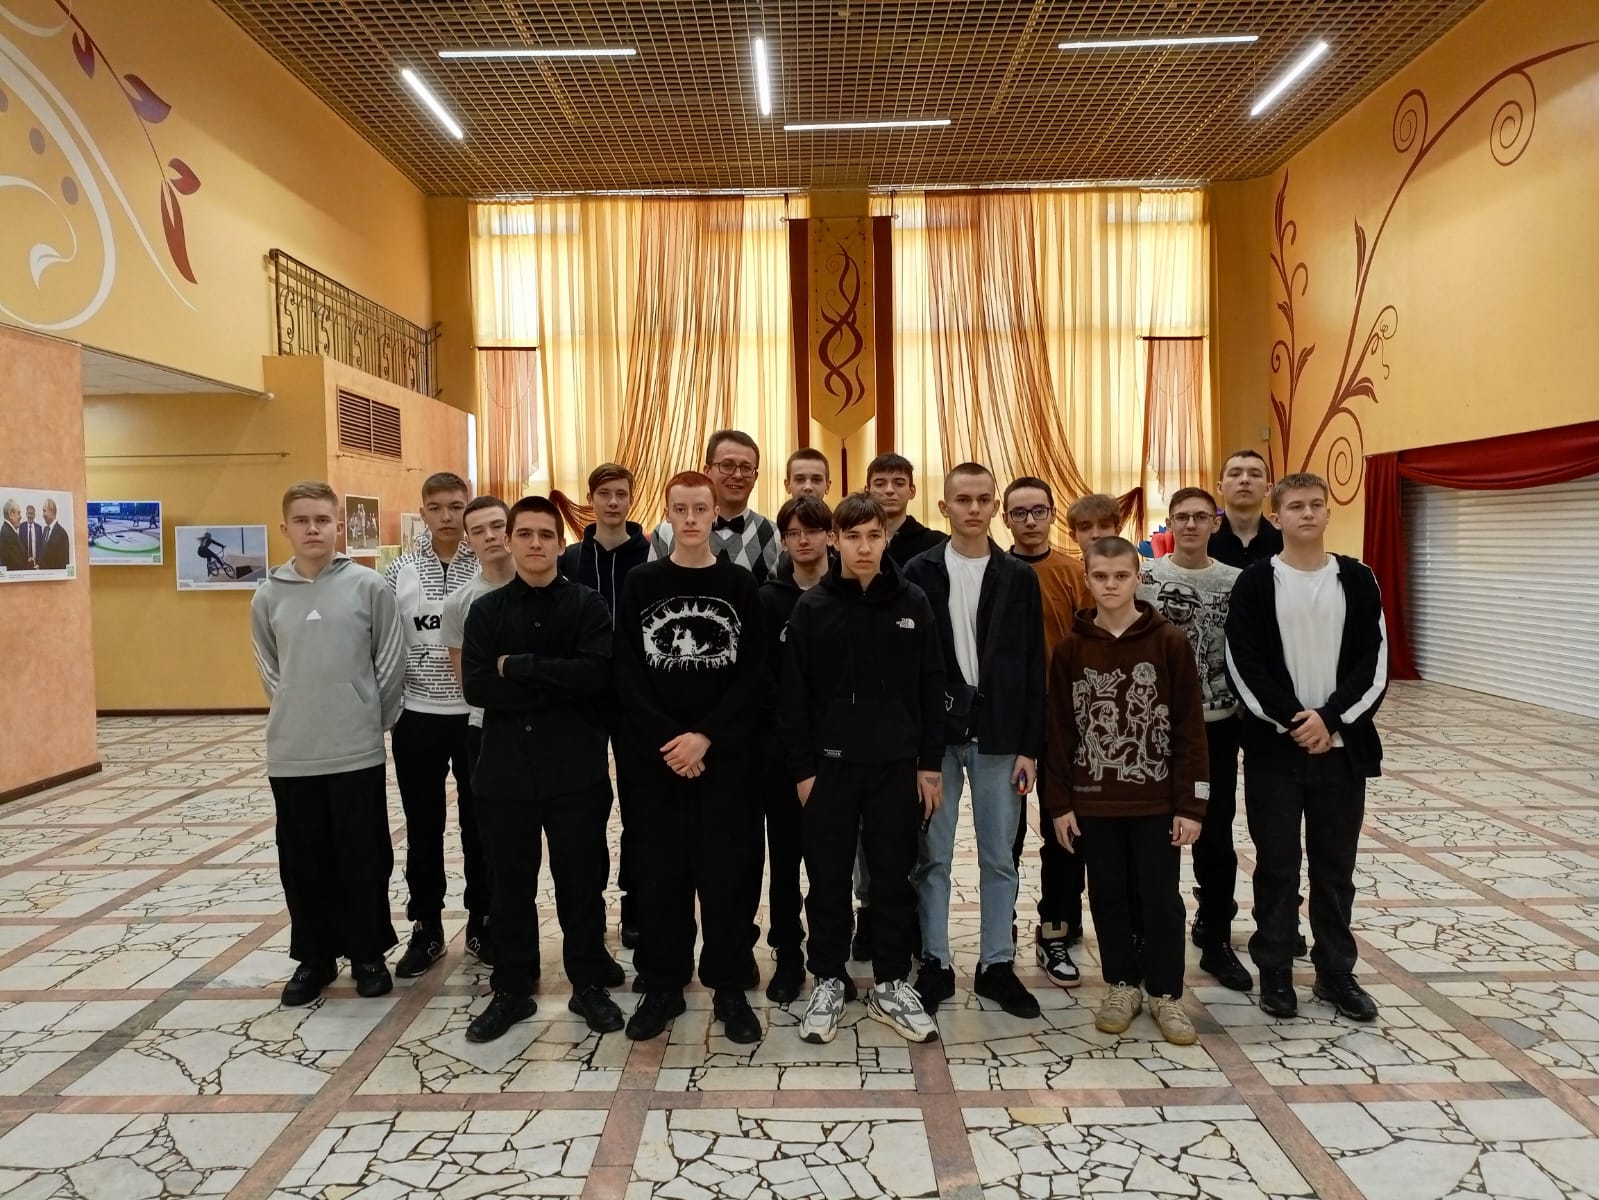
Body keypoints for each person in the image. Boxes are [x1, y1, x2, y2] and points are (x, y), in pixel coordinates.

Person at [781, 493, 944, 1045]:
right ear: (835, 541)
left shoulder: (914, 602)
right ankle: (828, 979)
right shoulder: (813, 607)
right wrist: (804, 772)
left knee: (892, 880)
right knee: (827, 881)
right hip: (829, 772)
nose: (864, 546)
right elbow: (794, 697)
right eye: (852, 537)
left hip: (896, 768)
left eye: (874, 535)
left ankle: (892, 983)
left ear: (886, 538)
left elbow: (931, 686)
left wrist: (929, 766)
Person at [1225, 472, 1388, 1023]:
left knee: (1335, 867)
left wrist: (1331, 720)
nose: (1308, 513)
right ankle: (1275, 968)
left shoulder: (1358, 578)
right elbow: (1243, 665)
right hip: (1276, 752)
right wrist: (1298, 722)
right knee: (1277, 865)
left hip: (1342, 752)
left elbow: (1374, 664)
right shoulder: (1255, 582)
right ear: (1277, 517)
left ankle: (1335, 972)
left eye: (1317, 504)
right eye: (1296, 506)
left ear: (1327, 512)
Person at [461, 496, 625, 1041]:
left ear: (560, 543)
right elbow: (478, 687)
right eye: (525, 534)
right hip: (504, 773)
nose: (535, 544)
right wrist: (556, 681)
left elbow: (597, 678)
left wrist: (520, 666)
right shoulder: (486, 611)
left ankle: (587, 983)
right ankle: (512, 988)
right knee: (509, 886)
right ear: (509, 540)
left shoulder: (587, 605)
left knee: (581, 882)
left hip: (574, 771)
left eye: (545, 535)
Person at [615, 471, 766, 1044]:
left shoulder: (740, 584)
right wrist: (672, 742)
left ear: (713, 513)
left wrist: (706, 737)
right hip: (658, 762)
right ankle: (663, 983)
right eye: (681, 509)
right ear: (669, 514)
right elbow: (628, 673)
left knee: (728, 874)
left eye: (701, 509)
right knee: (660, 874)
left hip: (726, 762)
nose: (692, 518)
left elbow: (753, 674)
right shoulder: (641, 582)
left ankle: (728, 984)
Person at [1045, 535, 1209, 1046]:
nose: (1111, 585)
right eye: (1101, 577)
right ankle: (1121, 984)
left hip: (1155, 800)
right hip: (1094, 799)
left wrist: (1192, 804)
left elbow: (1189, 729)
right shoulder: (1071, 648)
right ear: (1087, 579)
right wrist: (1059, 803)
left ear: (1139, 578)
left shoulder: (1169, 642)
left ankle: (1165, 991)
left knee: (1160, 898)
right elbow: (1059, 732)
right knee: (1108, 895)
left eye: (1121, 576)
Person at [250, 481, 405, 1006]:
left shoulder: (368, 586)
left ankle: (368, 954)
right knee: (302, 860)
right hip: (293, 753)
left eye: (322, 520)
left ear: (338, 525)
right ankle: (314, 958)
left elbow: (389, 660)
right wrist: (297, 708)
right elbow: (271, 670)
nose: (312, 529)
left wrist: (367, 717)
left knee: (364, 855)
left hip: (355, 748)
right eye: (302, 520)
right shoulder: (267, 595)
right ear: (285, 528)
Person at [904, 463, 1045, 1019]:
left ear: (995, 508)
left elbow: (1033, 665)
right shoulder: (918, 571)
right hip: (937, 739)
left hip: (1000, 735)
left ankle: (996, 965)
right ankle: (935, 962)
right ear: (944, 507)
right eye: (962, 499)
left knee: (999, 857)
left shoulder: (1017, 576)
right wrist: (919, 749)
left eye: (983, 499)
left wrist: (1030, 746)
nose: (973, 508)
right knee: (933, 856)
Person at [1139, 488, 1251, 992]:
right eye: (1181, 517)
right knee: (1154, 835)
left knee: (1215, 833)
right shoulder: (1145, 578)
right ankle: (1150, 937)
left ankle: (1216, 936)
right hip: (1156, 726)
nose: (1190, 525)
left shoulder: (1237, 582)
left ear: (1215, 523)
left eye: (1200, 517)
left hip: (1216, 725)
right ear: (1169, 523)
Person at [384, 472, 489, 976]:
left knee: (479, 825)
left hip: (475, 719)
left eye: (456, 506)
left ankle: (482, 921)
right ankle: (426, 928)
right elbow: (385, 641)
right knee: (423, 827)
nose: (447, 516)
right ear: (423, 512)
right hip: (418, 717)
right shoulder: (399, 570)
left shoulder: (488, 564)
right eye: (436, 507)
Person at [1001, 476, 1088, 989]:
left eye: (1038, 511)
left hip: (1063, 722)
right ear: (1005, 518)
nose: (1030, 521)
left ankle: (1057, 926)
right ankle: (1002, 924)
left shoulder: (1073, 572)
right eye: (1019, 512)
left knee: (1064, 829)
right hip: (1010, 724)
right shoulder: (996, 572)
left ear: (1052, 515)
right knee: (1006, 832)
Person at [752, 494, 834, 1004]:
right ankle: (787, 952)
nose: (803, 540)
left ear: (830, 536)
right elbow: (760, 678)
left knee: (829, 860)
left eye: (812, 530)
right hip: (780, 752)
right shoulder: (767, 599)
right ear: (783, 541)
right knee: (784, 859)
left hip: (837, 753)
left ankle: (829, 953)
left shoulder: (848, 593)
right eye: (793, 533)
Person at [647, 430, 780, 584]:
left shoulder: (774, 535)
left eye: (746, 468)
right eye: (727, 465)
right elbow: (650, 586)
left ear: (755, 476)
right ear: (707, 471)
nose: (737, 475)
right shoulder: (667, 531)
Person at [559, 463, 650, 619]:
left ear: (631, 500)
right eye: (604, 493)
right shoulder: (570, 558)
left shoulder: (651, 555)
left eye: (621, 494)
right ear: (590, 499)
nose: (613, 502)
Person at [868, 453, 947, 570]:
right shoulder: (855, 542)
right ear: (867, 490)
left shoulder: (936, 544)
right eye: (880, 484)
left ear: (912, 491)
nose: (889, 490)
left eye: (899, 484)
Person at [1210, 449, 1282, 568]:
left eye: (1255, 474)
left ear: (1268, 489)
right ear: (1220, 487)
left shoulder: (1284, 541)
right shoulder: (1204, 539)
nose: (1245, 480)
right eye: (1235, 474)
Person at [39, 498, 69, 570]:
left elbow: (63, 564)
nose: (43, 515)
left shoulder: (62, 534)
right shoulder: (45, 530)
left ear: (51, 511)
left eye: (44, 511)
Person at [0, 501, 23, 572]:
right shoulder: (8, 535)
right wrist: (33, 569)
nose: (20, 517)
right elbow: (17, 565)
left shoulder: (8, 531)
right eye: (18, 513)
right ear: (10, 514)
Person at [21, 504, 42, 569]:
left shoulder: (39, 528)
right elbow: (20, 545)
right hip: (24, 563)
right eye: (29, 513)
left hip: (36, 563)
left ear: (34, 515)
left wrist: (39, 563)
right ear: (26, 514)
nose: (30, 516)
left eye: (32, 513)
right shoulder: (21, 527)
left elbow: (40, 547)